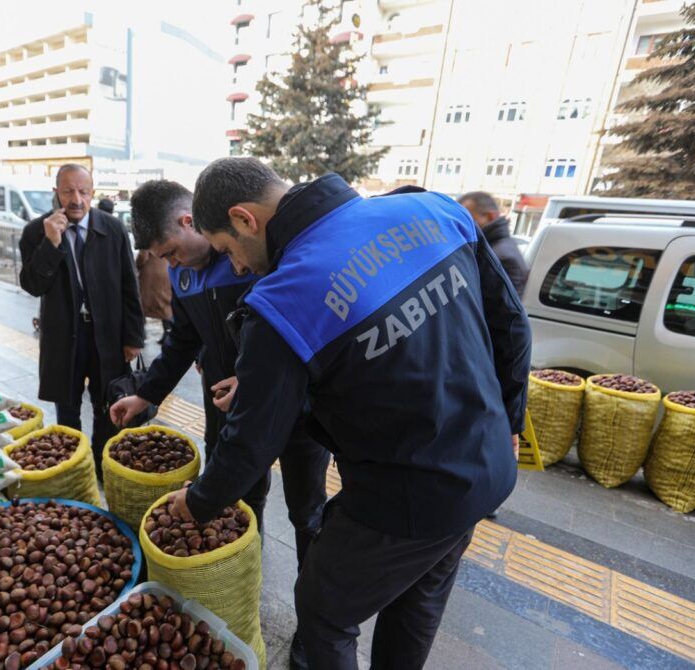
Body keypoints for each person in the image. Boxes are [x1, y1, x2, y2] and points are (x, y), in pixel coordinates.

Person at [166, 158, 531, 670]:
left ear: (244, 218)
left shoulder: (282, 299)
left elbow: (251, 443)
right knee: (417, 598)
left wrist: (198, 501)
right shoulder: (432, 209)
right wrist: (510, 421)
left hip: (405, 497)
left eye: (229, 250)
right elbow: (510, 324)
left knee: (324, 613)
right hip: (487, 465)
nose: (239, 268)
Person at [109, 180, 330, 567]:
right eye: (163, 258)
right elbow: (183, 339)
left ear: (188, 221)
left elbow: (308, 327)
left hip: (295, 403)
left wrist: (253, 381)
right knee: (240, 495)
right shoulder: (182, 274)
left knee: (306, 508)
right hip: (223, 403)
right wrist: (146, 394)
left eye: (172, 252)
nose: (172, 264)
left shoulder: (255, 253)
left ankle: (312, 591)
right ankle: (244, 568)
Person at [19, 164, 144, 477]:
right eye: (68, 191)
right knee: (67, 407)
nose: (76, 199)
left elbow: (130, 284)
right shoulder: (36, 232)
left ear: (93, 193)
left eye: (83, 192)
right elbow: (33, 285)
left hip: (107, 335)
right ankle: (75, 469)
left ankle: (103, 467)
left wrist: (133, 337)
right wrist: (51, 243)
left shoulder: (112, 229)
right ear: (56, 193)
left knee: (108, 405)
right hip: (64, 337)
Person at [457, 191, 529, 295]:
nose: (463, 227)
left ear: (491, 216)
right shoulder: (493, 248)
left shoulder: (501, 257)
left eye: (468, 221)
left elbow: (506, 304)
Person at [135, 249, 173, 344]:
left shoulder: (147, 241)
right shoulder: (165, 240)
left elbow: (143, 256)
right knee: (164, 303)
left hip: (151, 274)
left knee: (141, 305)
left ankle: (141, 335)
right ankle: (168, 333)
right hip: (165, 270)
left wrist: (136, 265)